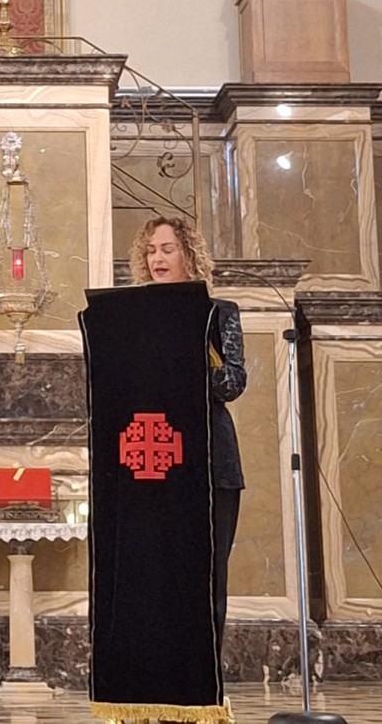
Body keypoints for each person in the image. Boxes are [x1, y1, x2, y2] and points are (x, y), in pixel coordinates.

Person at [129, 215, 246, 656]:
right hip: (155, 460)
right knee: (158, 579)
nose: (157, 258)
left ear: (189, 254)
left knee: (206, 577)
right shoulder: (134, 317)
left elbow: (232, 384)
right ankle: (157, 681)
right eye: (151, 250)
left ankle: (205, 686)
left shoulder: (219, 314)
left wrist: (190, 346)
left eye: (167, 249)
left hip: (213, 462)